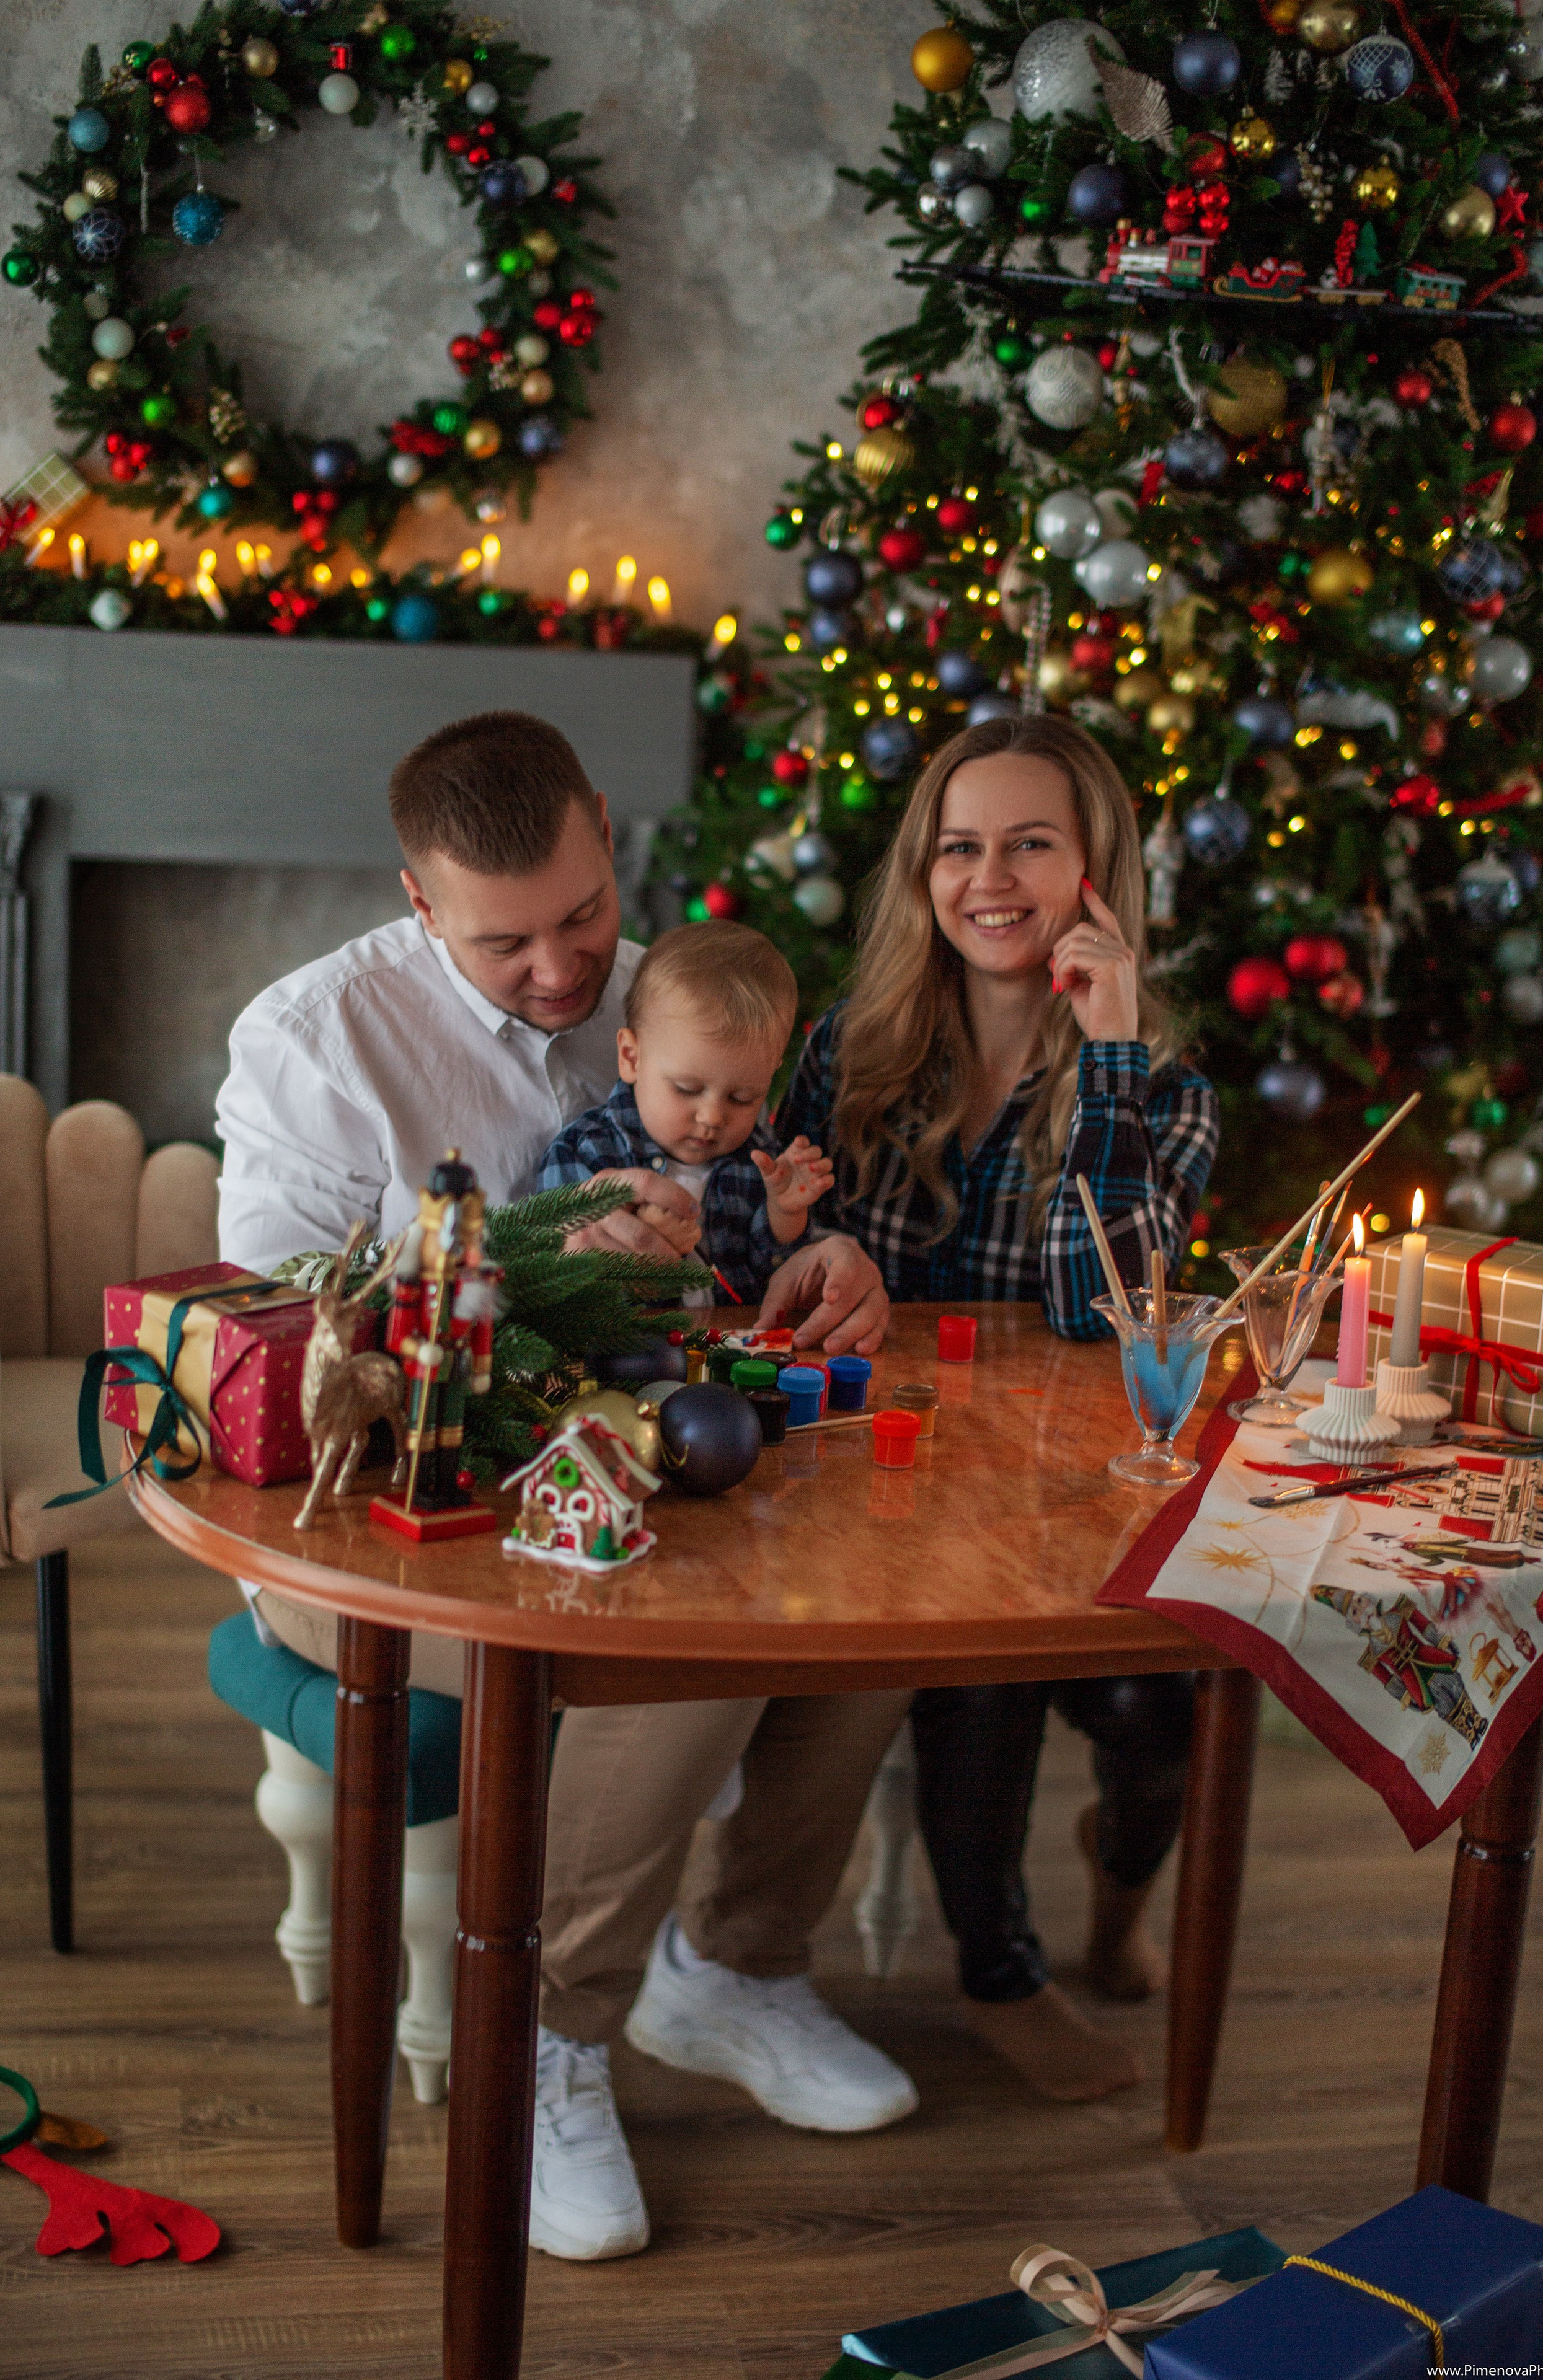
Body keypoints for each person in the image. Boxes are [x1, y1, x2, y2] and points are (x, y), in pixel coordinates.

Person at [214, 710, 911, 2265]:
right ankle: (544, 2026)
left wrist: (815, 1252)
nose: (558, 967)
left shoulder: (678, 998)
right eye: (504, 939)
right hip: (388, 1522)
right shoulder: (313, 1044)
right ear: (414, 897)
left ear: (606, 828)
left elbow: (755, 1206)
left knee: (882, 1579)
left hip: (639, 1462)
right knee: (680, 1630)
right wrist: (533, 1256)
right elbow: (273, 1342)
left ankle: (724, 1965)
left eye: (584, 913)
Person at [779, 713, 1219, 2104]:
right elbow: (766, 1260)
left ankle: (1119, 1878)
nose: (990, 877)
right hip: (881, 1480)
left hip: (1063, 1491)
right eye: (959, 846)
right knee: (974, 1656)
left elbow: (1106, 1314)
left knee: (1167, 1706)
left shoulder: (1163, 1086)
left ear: (1095, 872)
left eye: (1030, 844)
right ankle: (998, 1969)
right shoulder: (848, 1054)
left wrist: (1104, 1057)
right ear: (922, 874)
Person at [536, 920, 834, 1300]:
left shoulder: (761, 1164)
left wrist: (786, 1212)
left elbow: (773, 1272)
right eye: (687, 1089)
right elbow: (549, 1274)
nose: (712, 1117)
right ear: (632, 1057)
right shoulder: (584, 1152)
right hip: (631, 1353)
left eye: (742, 1098)